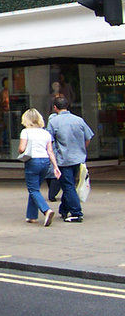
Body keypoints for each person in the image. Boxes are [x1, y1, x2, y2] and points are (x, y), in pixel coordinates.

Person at [46, 95, 93, 223]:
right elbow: (88, 138)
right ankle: (64, 209)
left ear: (55, 107)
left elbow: (49, 142)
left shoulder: (53, 122)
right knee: (70, 183)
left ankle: (76, 212)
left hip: (63, 159)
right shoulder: (79, 120)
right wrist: (81, 149)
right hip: (78, 158)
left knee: (68, 186)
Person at [18, 108, 60, 226]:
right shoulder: (46, 133)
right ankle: (31, 216)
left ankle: (46, 210)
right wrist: (55, 166)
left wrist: (21, 150)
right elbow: (50, 151)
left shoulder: (25, 132)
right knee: (35, 188)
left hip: (32, 161)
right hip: (45, 161)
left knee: (33, 189)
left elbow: (21, 148)